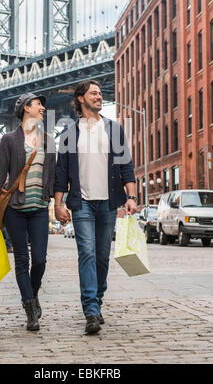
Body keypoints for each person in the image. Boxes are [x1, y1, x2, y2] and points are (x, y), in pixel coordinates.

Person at [54, 80, 137, 335]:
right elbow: (61, 172)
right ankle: (90, 310)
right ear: (80, 99)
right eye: (93, 93)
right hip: (82, 203)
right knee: (87, 254)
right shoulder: (69, 133)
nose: (99, 96)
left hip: (109, 202)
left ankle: (97, 303)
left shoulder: (114, 129)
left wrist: (131, 196)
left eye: (101, 93)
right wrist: (58, 204)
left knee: (102, 257)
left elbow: (126, 166)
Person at [0, 93, 56, 332]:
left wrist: (61, 203)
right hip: (15, 209)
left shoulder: (48, 140)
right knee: (22, 259)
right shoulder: (9, 140)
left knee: (41, 260)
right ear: (26, 108)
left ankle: (32, 295)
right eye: (38, 104)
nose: (43, 107)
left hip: (40, 209)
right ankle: (30, 311)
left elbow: (53, 176)